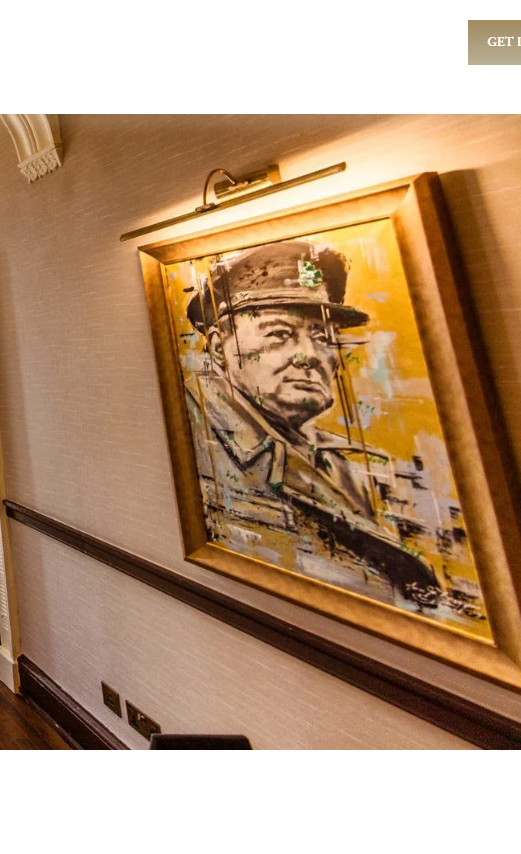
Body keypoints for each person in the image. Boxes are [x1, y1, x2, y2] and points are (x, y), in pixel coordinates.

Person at [183, 239, 439, 607]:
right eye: (279, 335)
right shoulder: (194, 437)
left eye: (321, 337)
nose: (308, 355)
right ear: (219, 348)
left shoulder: (347, 463)